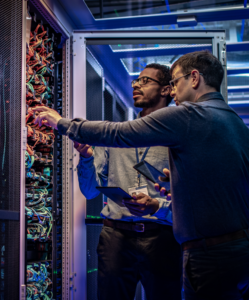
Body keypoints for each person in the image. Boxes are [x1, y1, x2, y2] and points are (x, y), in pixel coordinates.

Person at [33, 50, 249, 300]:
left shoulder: (189, 116)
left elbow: (120, 134)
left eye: (175, 83)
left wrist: (62, 123)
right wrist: (178, 188)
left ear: (194, 78)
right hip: (239, 251)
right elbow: (221, 187)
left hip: (206, 254)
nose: (174, 92)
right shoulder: (237, 125)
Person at [74, 63, 182, 300]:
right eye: (135, 81)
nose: (135, 85)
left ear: (165, 90)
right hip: (116, 237)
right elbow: (90, 191)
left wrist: (156, 205)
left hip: (162, 237)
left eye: (145, 81)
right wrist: (86, 157)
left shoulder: (177, 137)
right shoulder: (116, 134)